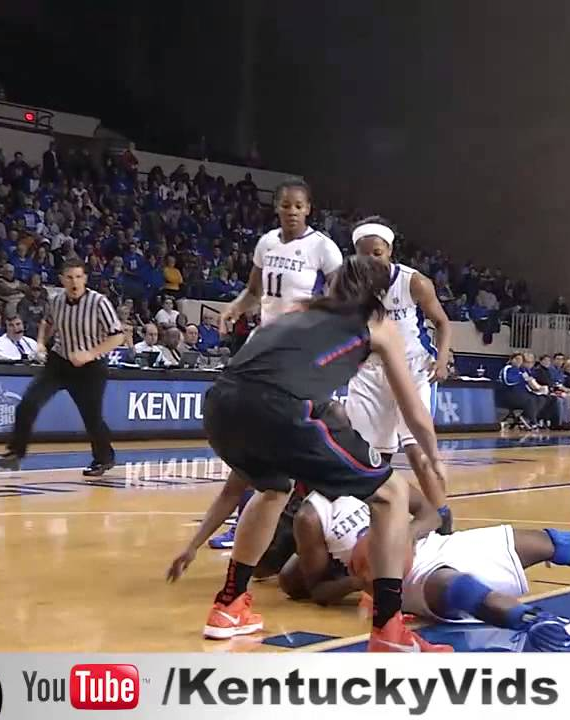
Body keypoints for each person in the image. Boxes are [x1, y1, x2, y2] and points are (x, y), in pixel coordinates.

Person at [165, 255, 452, 653]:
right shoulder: (379, 325)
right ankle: (389, 632)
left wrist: (195, 543)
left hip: (220, 402)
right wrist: (434, 456)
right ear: (379, 293)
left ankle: (229, 605)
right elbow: (413, 408)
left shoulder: (296, 312)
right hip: (283, 405)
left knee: (271, 488)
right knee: (391, 495)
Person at [275, 490, 570, 651]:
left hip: (430, 544)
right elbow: (319, 592)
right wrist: (363, 579)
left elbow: (432, 513)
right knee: (454, 586)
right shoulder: (312, 515)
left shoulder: (379, 477)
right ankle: (546, 628)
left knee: (548, 543)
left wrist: (404, 538)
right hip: (398, 577)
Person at [207, 179, 343, 550]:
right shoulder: (266, 243)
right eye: (286, 205)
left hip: (302, 352)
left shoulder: (323, 248)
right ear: (278, 207)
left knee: (297, 438)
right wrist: (235, 307)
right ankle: (245, 523)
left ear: (308, 208)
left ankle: (315, 521)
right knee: (251, 435)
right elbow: (254, 292)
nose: (292, 211)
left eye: (298, 206)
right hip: (265, 349)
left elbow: (343, 298)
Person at [345, 217, 454, 531]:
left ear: (389, 251)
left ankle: (443, 521)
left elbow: (442, 322)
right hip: (369, 371)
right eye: (365, 255)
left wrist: (443, 357)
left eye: (377, 253)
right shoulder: (350, 284)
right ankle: (369, 524)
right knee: (369, 456)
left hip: (412, 370)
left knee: (417, 452)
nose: (371, 260)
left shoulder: (414, 282)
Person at [0, 259, 124, 477]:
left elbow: (118, 336)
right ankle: (15, 454)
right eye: (70, 277)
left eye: (79, 277)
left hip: (90, 366)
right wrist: (41, 342)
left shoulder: (99, 302)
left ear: (85, 278)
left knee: (92, 418)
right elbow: (48, 322)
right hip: (59, 362)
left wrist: (90, 354)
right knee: (28, 402)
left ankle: (103, 458)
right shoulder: (56, 301)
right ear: (62, 280)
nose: (75, 282)